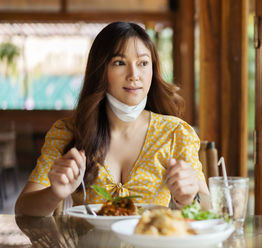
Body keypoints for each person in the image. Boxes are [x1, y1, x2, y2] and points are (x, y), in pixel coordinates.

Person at [15, 21, 209, 216]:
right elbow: (23, 208)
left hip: (151, 244)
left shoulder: (175, 133)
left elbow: (208, 209)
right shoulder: (67, 131)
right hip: (85, 247)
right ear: (100, 71)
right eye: (119, 63)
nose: (134, 75)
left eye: (143, 63)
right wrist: (55, 193)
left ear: (153, 69)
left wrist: (189, 198)